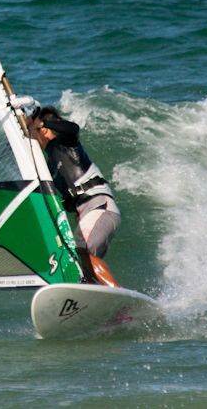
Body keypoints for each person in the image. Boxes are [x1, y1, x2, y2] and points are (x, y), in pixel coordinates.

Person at [27, 106, 120, 287]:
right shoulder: (50, 167)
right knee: (79, 267)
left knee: (81, 253)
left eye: (34, 130)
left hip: (99, 206)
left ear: (43, 130)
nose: (31, 135)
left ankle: (119, 297)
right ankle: (101, 299)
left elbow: (72, 128)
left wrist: (44, 122)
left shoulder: (66, 143)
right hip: (89, 214)